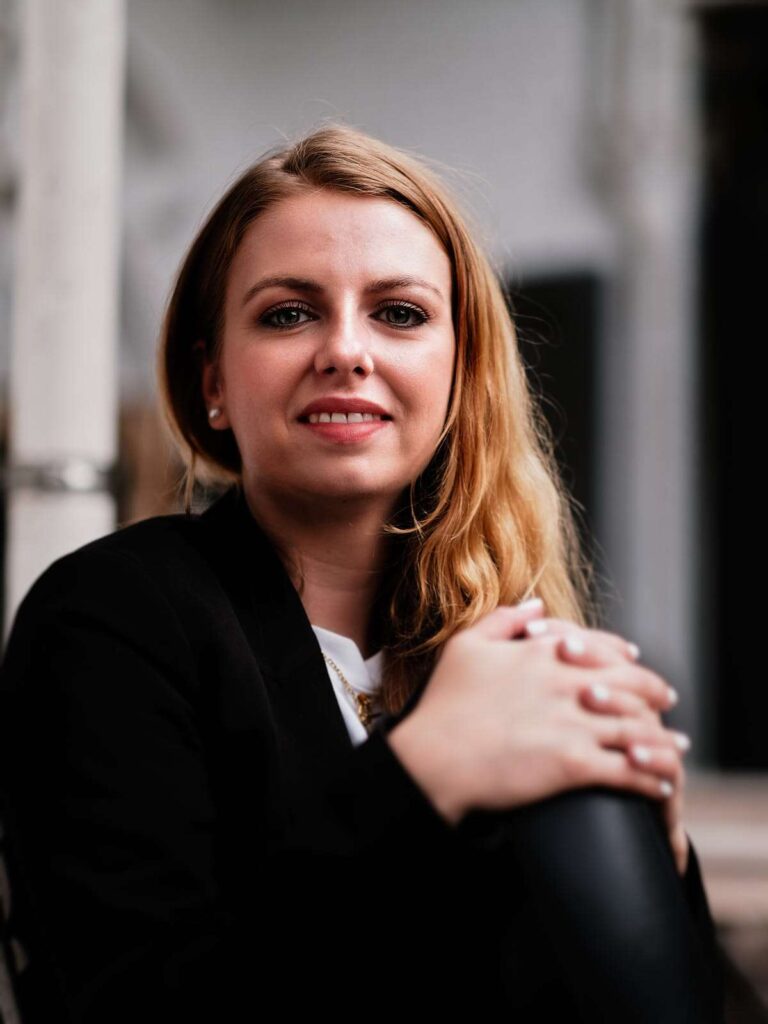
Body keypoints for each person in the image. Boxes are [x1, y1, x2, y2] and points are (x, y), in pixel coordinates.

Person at [0, 122, 725, 1022]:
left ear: (462, 374)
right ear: (214, 380)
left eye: (401, 313)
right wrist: (427, 770)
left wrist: (659, 853)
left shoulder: (514, 645)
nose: (347, 350)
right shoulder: (107, 617)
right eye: (287, 313)